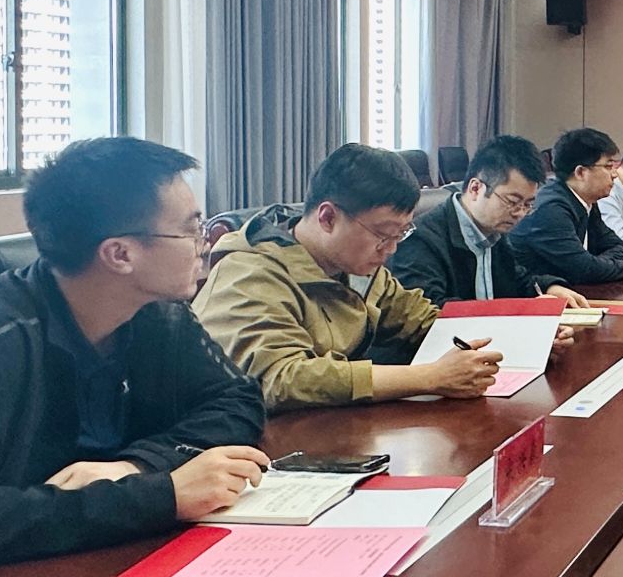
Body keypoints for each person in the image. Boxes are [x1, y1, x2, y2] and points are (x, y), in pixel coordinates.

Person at [0, 138, 267, 577]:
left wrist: (136, 466)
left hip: (82, 576)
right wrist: (161, 495)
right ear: (120, 255)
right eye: (191, 230)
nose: (205, 245)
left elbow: (236, 399)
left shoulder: (155, 314)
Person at [196, 144, 501, 412]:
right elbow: (283, 379)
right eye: (383, 235)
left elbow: (419, 319)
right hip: (242, 440)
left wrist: (508, 338)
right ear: (328, 217)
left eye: (400, 234)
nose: (391, 249)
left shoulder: (355, 266)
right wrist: (429, 377)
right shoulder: (250, 272)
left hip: (324, 426)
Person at [387, 135, 589, 308]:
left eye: (528, 204)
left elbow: (517, 279)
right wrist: (519, 313)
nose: (520, 213)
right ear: (476, 188)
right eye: (512, 202)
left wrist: (550, 287)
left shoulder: (494, 232)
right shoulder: (421, 240)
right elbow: (431, 311)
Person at [507, 128, 623, 286]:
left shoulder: (587, 201)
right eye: (608, 167)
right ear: (580, 172)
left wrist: (595, 264)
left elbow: (620, 247)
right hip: (535, 295)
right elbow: (583, 269)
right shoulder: (551, 209)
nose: (614, 174)